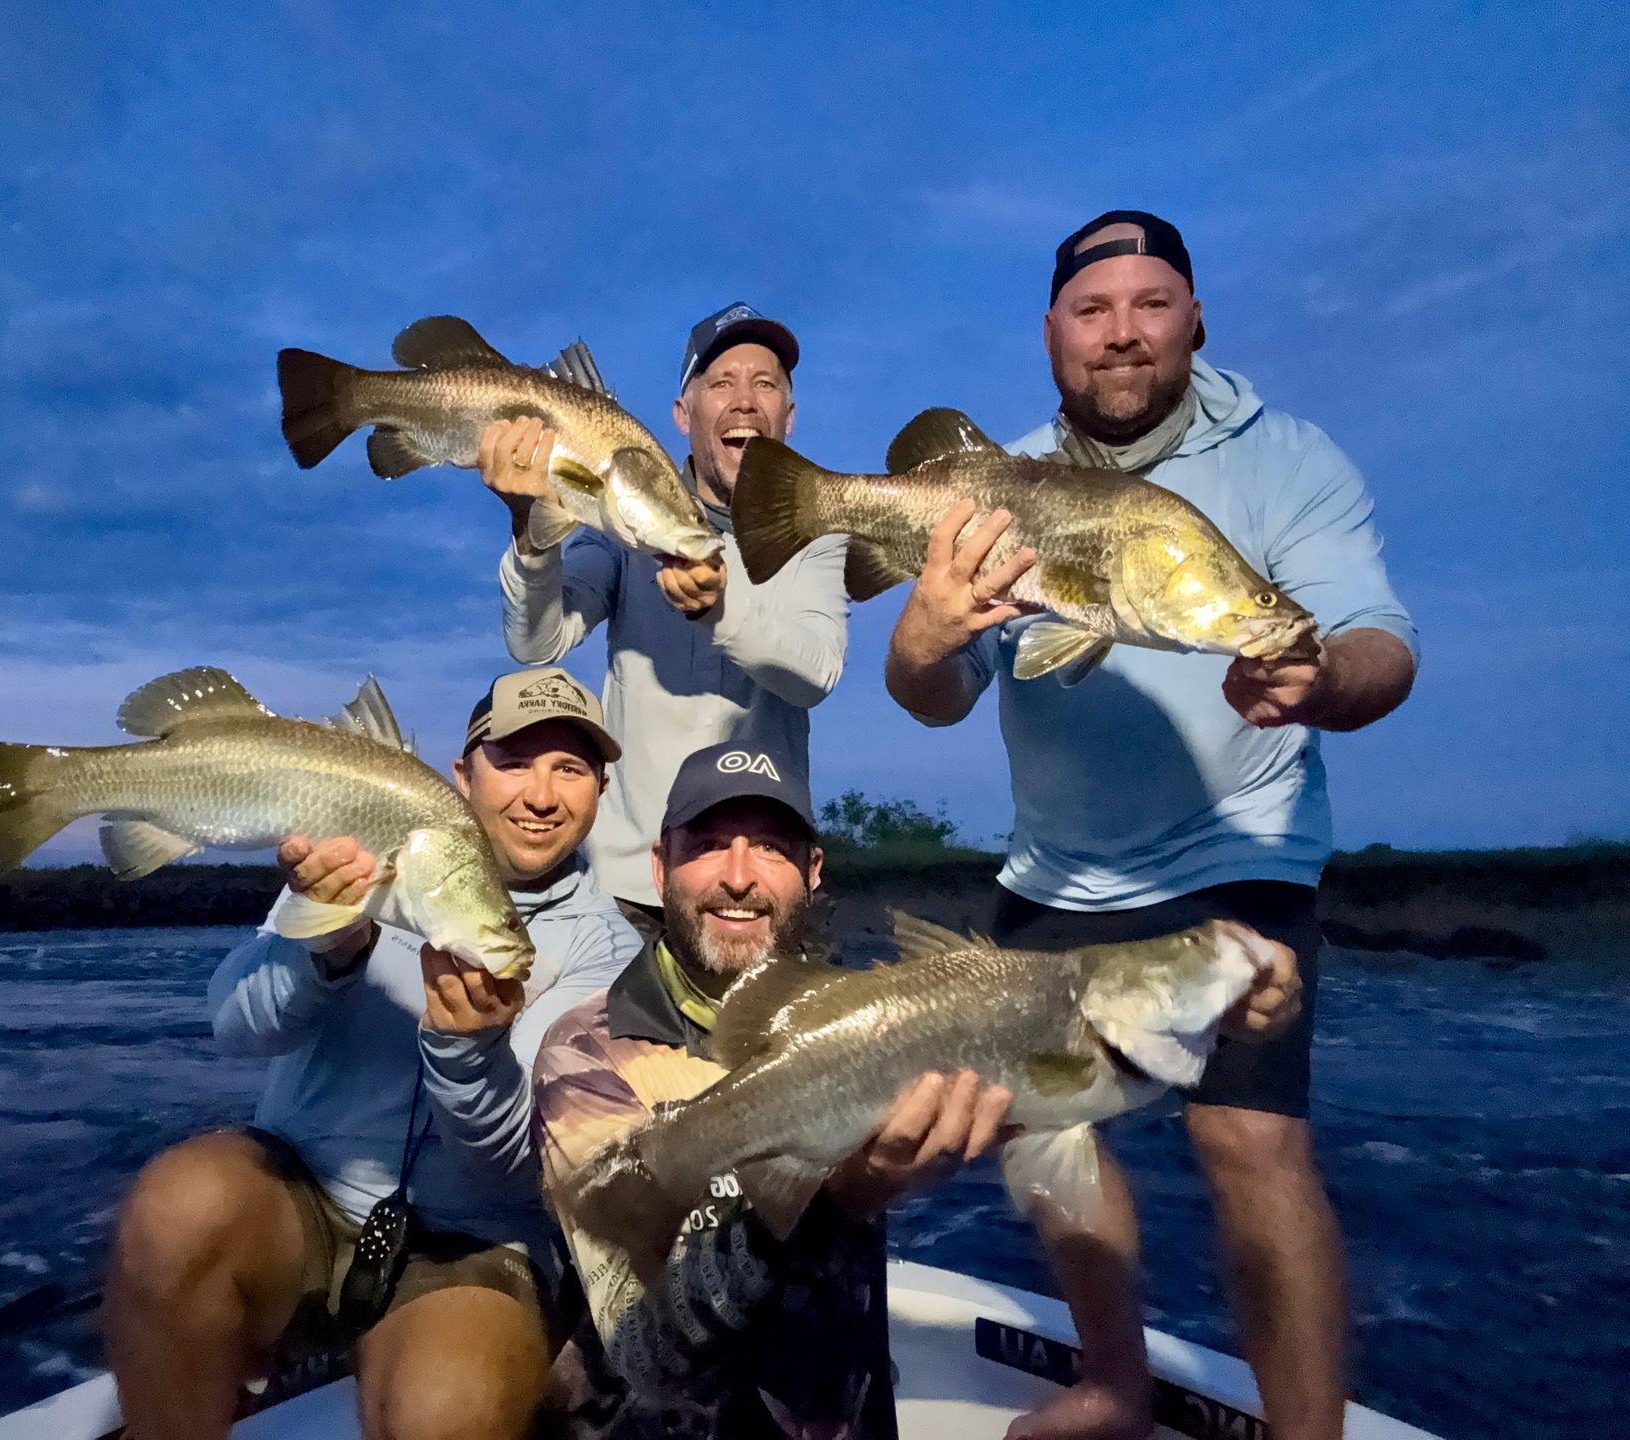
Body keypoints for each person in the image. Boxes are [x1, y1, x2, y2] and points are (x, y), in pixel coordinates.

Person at [883, 210, 1419, 1440]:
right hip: (1059, 864)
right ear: (1052, 334)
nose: (1122, 334)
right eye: (1094, 309)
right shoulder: (994, 480)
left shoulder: (1289, 461)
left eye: (1150, 304)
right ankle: (1114, 1385)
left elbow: (1384, 644)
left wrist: (1325, 676)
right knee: (1045, 1139)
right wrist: (917, 645)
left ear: (1195, 319)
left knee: (1247, 1140)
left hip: (1238, 848)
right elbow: (933, 697)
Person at [102, 668, 637, 1440]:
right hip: (302, 1203)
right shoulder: (358, 843)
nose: (542, 795)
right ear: (462, 775)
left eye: (571, 768)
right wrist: (327, 950)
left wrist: (471, 1054)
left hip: (473, 1242)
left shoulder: (609, 954)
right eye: (514, 760)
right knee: (176, 1208)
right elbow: (234, 1026)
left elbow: (525, 1171)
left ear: (602, 787)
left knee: (446, 1418)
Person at [533, 741, 1013, 1437]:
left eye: (770, 847)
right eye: (706, 846)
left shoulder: (869, 1019)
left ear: (813, 872)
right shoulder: (586, 1054)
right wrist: (840, 1196)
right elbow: (648, 1355)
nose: (738, 877)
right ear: (660, 867)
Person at [486, 304, 849, 920]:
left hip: (757, 876)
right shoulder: (622, 519)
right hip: (627, 883)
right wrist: (530, 529)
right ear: (683, 415)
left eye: (766, 384)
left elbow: (815, 674)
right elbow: (538, 641)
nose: (744, 401)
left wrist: (722, 609)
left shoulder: (818, 531)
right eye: (720, 383)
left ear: (789, 416)